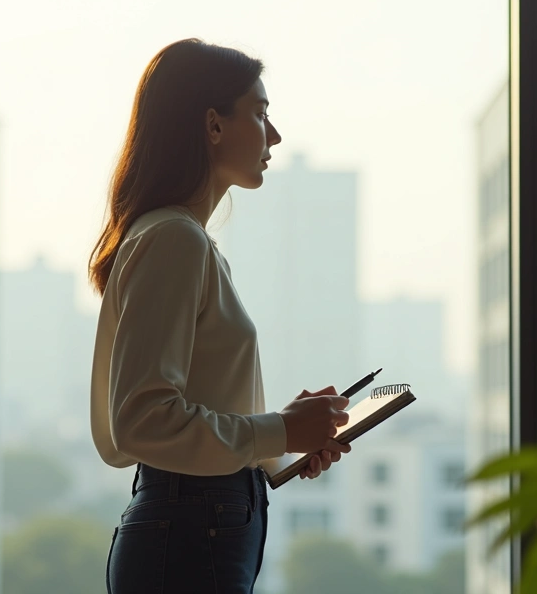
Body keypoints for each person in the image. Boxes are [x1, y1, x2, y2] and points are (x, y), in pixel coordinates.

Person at [88, 38, 352, 593]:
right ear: (213, 125)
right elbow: (142, 420)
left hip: (196, 528)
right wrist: (277, 430)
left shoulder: (184, 241)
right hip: (191, 535)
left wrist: (282, 441)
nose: (274, 135)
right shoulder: (173, 240)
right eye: (260, 114)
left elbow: (183, 419)